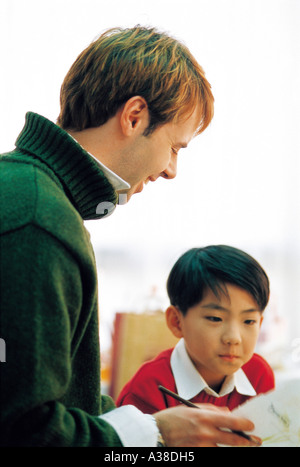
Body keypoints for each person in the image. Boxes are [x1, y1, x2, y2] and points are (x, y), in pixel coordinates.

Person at [0, 26, 259, 447]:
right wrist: (153, 435)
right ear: (134, 116)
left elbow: (52, 401)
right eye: (175, 147)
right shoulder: (39, 220)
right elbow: (25, 431)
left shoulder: (31, 192)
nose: (172, 170)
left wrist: (148, 424)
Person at [117, 245, 275, 414]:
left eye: (249, 321)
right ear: (176, 322)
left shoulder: (258, 375)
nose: (233, 338)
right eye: (215, 318)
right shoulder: (147, 388)